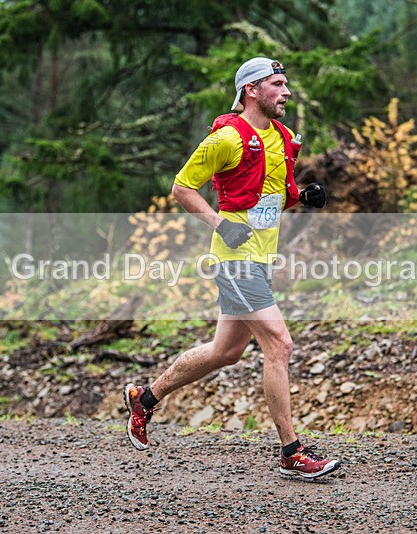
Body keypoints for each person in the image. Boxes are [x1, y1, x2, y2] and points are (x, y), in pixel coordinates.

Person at [124, 57, 340, 480]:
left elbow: (270, 198)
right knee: (279, 344)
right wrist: (220, 223)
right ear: (252, 90)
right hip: (234, 262)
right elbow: (182, 188)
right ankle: (291, 452)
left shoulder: (282, 138)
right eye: (278, 84)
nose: (287, 92)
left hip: (259, 260)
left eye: (286, 84)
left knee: (226, 352)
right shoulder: (226, 138)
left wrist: (304, 198)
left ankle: (145, 397)